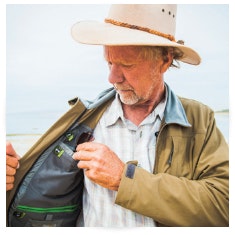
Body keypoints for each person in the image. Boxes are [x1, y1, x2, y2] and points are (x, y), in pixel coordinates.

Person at [6, 4, 228, 227]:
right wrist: (8, 178)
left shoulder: (200, 119)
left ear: (165, 60)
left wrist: (125, 179)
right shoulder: (81, 120)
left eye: (126, 65)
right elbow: (31, 193)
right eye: (109, 62)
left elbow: (224, 205)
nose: (112, 78)